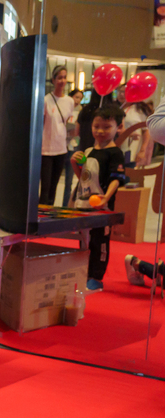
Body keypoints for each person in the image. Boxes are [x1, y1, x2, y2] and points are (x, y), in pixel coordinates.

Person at [71, 106, 138, 292]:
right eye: (96, 126)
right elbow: (84, 177)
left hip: (103, 208)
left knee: (99, 242)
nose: (100, 131)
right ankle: (83, 273)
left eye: (106, 127)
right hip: (83, 205)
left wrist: (105, 198)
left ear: (118, 127)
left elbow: (116, 179)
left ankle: (96, 277)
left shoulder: (115, 153)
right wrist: (74, 163)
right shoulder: (90, 151)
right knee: (84, 240)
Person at [41, 66, 73, 206]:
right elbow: (41, 124)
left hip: (61, 148)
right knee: (45, 187)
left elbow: (66, 122)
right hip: (46, 149)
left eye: (64, 77)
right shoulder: (45, 100)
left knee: (54, 186)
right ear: (53, 80)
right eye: (59, 77)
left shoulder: (69, 101)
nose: (62, 80)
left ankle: (49, 216)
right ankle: (40, 215)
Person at [122, 99, 153, 167]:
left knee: (129, 170)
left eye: (124, 92)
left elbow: (145, 130)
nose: (122, 94)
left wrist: (142, 150)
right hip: (116, 147)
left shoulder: (138, 109)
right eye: (120, 91)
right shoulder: (116, 107)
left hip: (131, 148)